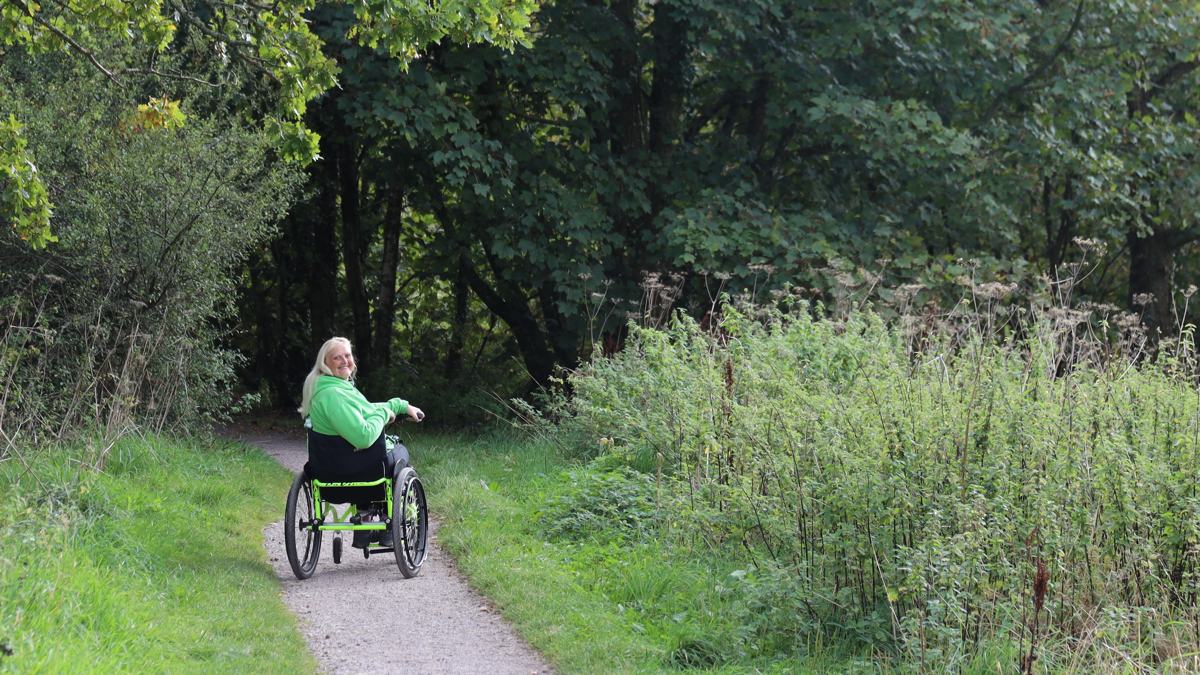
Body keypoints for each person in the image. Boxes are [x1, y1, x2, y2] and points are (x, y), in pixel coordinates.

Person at [297, 336, 424, 548]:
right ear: (324, 364)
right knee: (399, 452)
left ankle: (366, 516)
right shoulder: (334, 395)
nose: (344, 361)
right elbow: (363, 437)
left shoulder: (330, 388)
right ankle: (386, 524)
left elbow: (366, 409)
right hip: (356, 473)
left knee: (370, 457)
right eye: (337, 357)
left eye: (347, 355)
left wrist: (400, 405)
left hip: (328, 472)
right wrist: (384, 414)